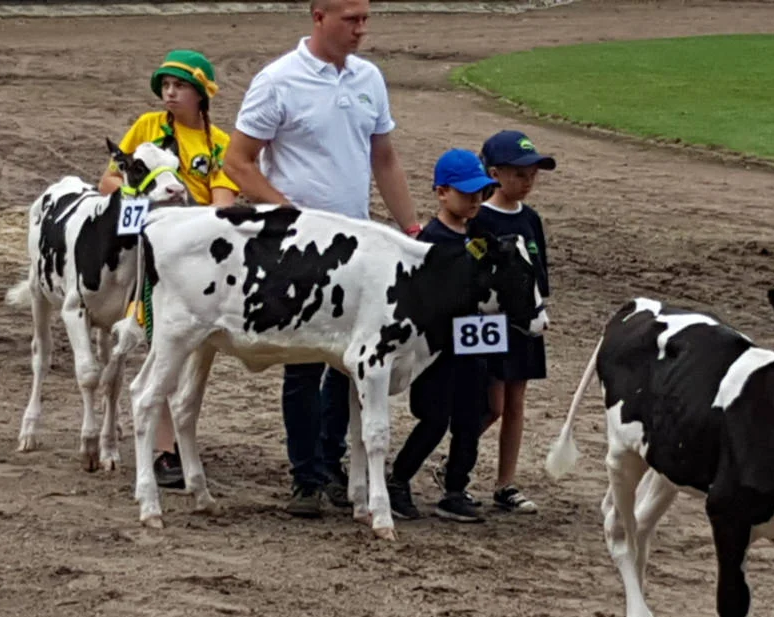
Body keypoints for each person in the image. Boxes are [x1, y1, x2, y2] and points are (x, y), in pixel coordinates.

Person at [223, 0, 419, 518]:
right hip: (298, 247)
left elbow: (385, 157)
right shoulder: (278, 81)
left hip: (356, 244)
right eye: (351, 19)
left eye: (365, 18)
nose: (362, 29)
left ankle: (334, 467)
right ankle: (306, 475)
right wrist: (289, 215)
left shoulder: (369, 78)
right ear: (319, 17)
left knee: (353, 362)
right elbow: (238, 161)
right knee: (304, 360)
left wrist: (412, 228)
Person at [98, 48, 240, 488]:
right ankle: (162, 451)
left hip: (196, 252)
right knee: (161, 347)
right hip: (148, 248)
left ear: (202, 94)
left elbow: (224, 205)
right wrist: (146, 199)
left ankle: (175, 439)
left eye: (179, 86)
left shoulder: (220, 144)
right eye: (165, 86)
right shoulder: (145, 129)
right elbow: (108, 182)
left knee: (197, 353)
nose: (170, 92)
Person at [430, 130, 555, 513]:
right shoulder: (479, 216)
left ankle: (505, 484)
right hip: (490, 324)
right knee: (492, 403)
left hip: (523, 323)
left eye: (533, 174)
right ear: (495, 173)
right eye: (519, 174)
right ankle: (454, 461)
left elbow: (537, 271)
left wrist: (538, 307)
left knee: (516, 402)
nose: (528, 181)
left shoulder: (530, 219)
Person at [387, 148, 498, 523]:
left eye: (479, 194)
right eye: (466, 194)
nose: (474, 201)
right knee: (434, 418)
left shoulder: (481, 234)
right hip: (437, 348)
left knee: (470, 418)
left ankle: (455, 488)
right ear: (441, 192)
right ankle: (398, 481)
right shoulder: (429, 242)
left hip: (476, 339)